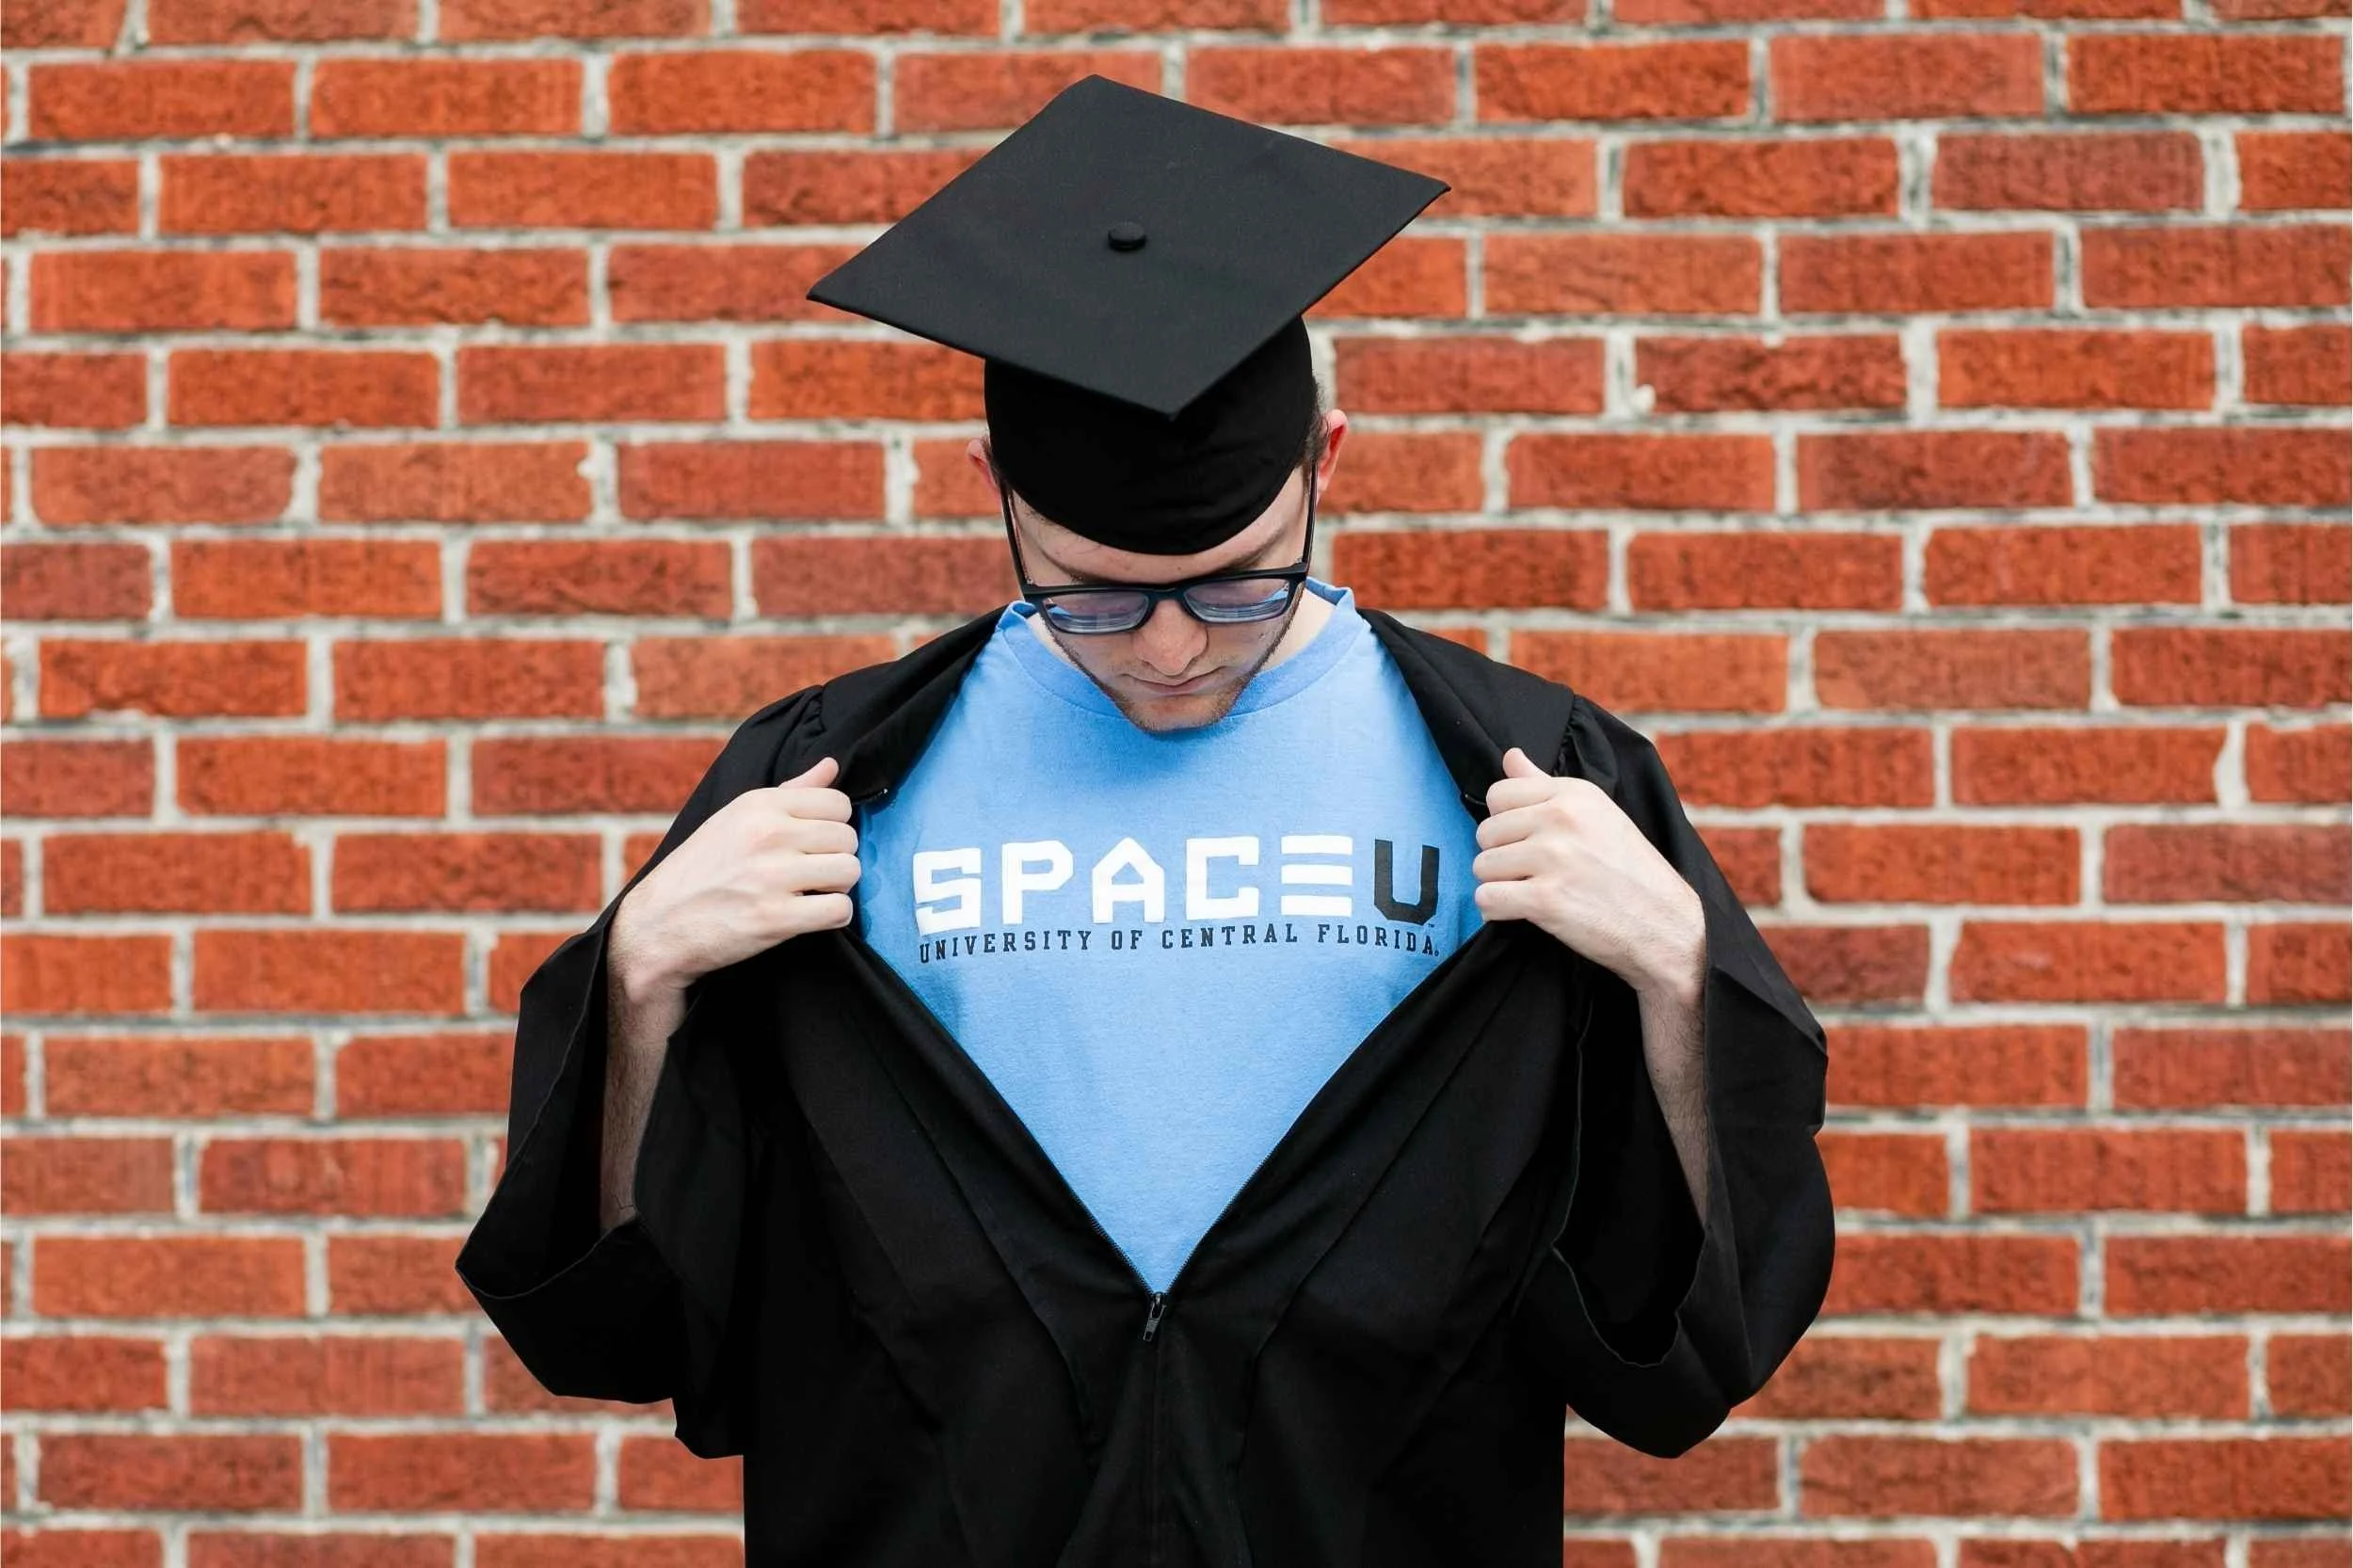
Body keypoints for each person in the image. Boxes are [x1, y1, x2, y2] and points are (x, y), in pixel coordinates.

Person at [456, 75, 1833, 1568]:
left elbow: (1690, 1343)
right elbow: (625, 1329)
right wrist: (642, 983)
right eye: (1092, 596)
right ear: (996, 494)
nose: (1170, 647)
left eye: (1241, 584)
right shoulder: (818, 781)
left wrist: (1685, 987)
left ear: (1326, 464)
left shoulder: (1534, 774)